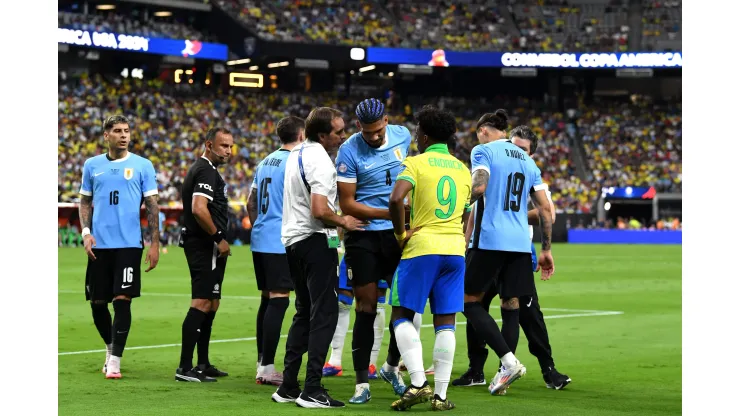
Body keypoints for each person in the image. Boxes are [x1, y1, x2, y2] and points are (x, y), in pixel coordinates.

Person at [453, 123, 571, 391]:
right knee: (510, 307)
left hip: (491, 242)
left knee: (469, 301)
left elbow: (479, 190)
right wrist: (547, 249)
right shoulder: (530, 166)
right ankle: (486, 370)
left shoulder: (486, 152)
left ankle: (511, 364)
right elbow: (544, 208)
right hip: (517, 245)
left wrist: (452, 207)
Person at [271, 107, 365, 408]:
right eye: (338, 131)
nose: (343, 135)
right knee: (324, 314)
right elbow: (320, 210)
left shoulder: (298, 152)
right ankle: (312, 388)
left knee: (303, 311)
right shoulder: (322, 162)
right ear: (323, 135)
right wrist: (345, 221)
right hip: (314, 241)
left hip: (293, 241)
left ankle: (288, 385)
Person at [387, 105, 472, 411]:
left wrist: (401, 234)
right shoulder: (463, 169)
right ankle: (441, 395)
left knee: (400, 315)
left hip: (422, 248)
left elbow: (396, 198)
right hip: (454, 250)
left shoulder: (416, 163)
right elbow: (467, 211)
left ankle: (419, 382)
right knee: (446, 322)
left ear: (423, 135)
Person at [333, 98, 412, 403]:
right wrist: (390, 212)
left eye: (378, 131)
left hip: (397, 237)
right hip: (364, 236)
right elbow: (348, 204)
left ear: (387, 122)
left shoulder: (404, 136)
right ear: (358, 127)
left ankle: (391, 366)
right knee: (365, 307)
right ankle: (361, 383)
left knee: (405, 307)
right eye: (368, 133)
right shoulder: (349, 150)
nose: (374, 137)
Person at [78, 115, 161, 379]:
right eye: (117, 131)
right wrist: (86, 233)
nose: (123, 135)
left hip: (129, 245)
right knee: (97, 303)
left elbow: (152, 206)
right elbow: (84, 202)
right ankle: (110, 346)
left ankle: (115, 361)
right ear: (106, 135)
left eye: (126, 131)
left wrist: (154, 242)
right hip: (99, 246)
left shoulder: (142, 165)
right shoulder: (92, 166)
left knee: (122, 301)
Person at [247, 116, 306, 386]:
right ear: (302, 135)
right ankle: (268, 368)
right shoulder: (296, 161)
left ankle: (262, 363)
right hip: (280, 241)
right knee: (280, 299)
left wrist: (261, 224)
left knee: (267, 299)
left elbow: (251, 202)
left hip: (261, 238)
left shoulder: (265, 161)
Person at [175, 127, 233, 382]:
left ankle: (202, 363)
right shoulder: (206, 170)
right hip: (203, 245)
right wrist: (218, 238)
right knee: (201, 301)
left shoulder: (206, 169)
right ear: (209, 145)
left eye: (231, 146)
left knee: (212, 302)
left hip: (205, 245)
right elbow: (199, 209)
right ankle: (185, 368)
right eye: (224, 146)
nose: (229, 151)